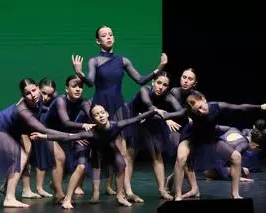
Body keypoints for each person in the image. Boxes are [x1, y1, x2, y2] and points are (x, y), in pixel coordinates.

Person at [71, 25, 168, 202]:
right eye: (104, 35)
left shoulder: (123, 61)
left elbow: (140, 80)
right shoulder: (95, 61)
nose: (108, 37)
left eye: (110, 34)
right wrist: (80, 73)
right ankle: (95, 192)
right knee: (98, 150)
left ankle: (126, 191)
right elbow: (91, 83)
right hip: (100, 105)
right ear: (97, 40)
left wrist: (159, 68)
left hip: (117, 106)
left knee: (123, 151)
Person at [0, 78, 85, 208]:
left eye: (34, 90)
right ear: (23, 96)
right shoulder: (23, 110)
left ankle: (8, 187)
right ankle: (9, 198)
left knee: (25, 155)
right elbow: (44, 130)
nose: (33, 95)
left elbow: (59, 100)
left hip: (13, 129)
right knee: (20, 156)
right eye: (28, 93)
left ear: (37, 87)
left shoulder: (42, 97)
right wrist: (73, 135)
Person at [30, 104, 159, 208]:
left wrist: (155, 110)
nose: (100, 116)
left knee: (121, 163)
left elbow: (135, 119)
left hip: (107, 145)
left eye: (102, 112)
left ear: (107, 114)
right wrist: (44, 136)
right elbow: (66, 137)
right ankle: (67, 199)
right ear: (93, 120)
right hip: (91, 146)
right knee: (81, 167)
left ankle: (120, 195)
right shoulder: (90, 133)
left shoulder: (116, 125)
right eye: (96, 115)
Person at [176, 92, 266, 200]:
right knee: (182, 159)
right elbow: (170, 115)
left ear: (204, 99)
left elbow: (239, 108)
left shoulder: (215, 107)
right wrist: (164, 116)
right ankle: (178, 195)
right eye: (197, 111)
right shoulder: (188, 112)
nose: (201, 111)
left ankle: (235, 194)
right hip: (192, 136)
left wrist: (259, 107)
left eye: (201, 107)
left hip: (209, 137)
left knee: (236, 157)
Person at [127, 71, 185, 200]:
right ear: (153, 82)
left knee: (157, 154)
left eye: (165, 85)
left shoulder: (168, 97)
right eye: (158, 83)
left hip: (151, 121)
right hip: (133, 119)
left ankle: (162, 189)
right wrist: (164, 116)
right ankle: (128, 191)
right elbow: (149, 105)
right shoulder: (145, 90)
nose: (161, 87)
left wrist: (190, 115)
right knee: (131, 155)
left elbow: (181, 111)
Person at [39, 75, 95, 203]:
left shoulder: (83, 102)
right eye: (74, 86)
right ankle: (59, 195)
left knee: (70, 164)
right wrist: (82, 127)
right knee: (60, 158)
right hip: (48, 132)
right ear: (66, 89)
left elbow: (91, 116)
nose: (77, 89)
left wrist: (102, 121)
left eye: (80, 87)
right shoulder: (60, 101)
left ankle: (54, 185)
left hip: (64, 134)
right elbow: (66, 122)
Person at [164, 68, 200, 198]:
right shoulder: (174, 92)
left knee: (186, 158)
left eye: (190, 79)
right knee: (181, 156)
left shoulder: (197, 95)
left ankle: (172, 181)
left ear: (194, 83)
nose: (186, 81)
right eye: (184, 77)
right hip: (174, 127)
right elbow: (163, 109)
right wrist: (167, 120)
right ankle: (190, 187)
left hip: (189, 130)